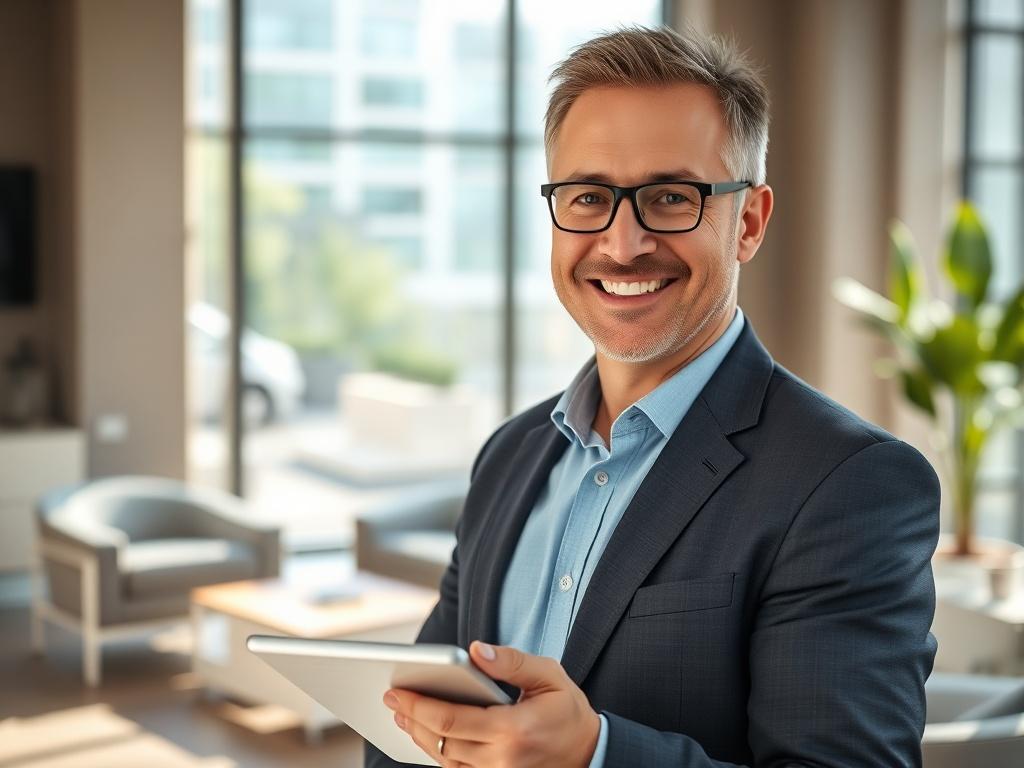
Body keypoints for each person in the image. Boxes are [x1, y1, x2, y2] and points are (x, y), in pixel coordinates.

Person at [369, 24, 939, 767]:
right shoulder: (508, 456)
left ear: (750, 222)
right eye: (588, 196)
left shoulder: (850, 485)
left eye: (671, 197)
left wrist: (596, 754)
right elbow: (418, 724)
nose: (623, 242)